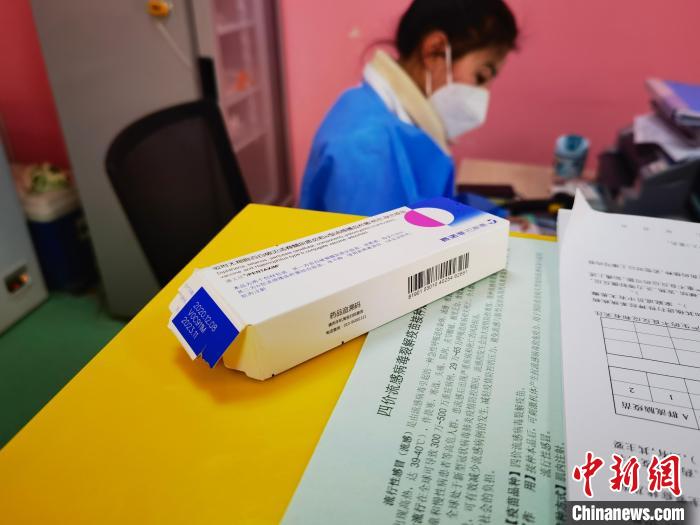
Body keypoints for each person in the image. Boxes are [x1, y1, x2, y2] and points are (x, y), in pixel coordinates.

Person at [299, 0, 519, 216]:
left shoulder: (383, 114)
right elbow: (383, 236)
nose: (483, 94)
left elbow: (428, 206)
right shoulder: (366, 146)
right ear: (435, 50)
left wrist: (493, 216)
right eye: (480, 77)